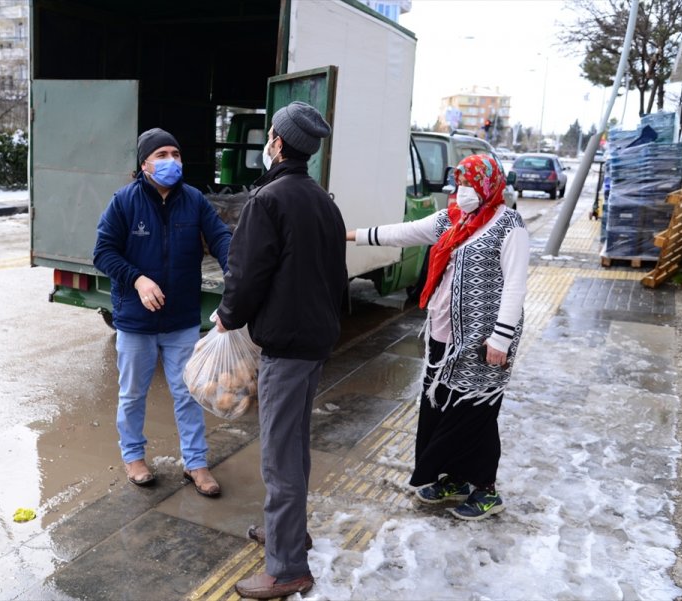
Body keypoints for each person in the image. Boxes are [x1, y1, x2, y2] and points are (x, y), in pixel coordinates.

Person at [347, 153, 529, 520]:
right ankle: (453, 479)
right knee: (439, 409)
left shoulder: (510, 226)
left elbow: (515, 287)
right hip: (444, 335)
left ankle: (486, 490)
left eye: (469, 184)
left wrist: (501, 339)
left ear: (489, 186)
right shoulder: (454, 218)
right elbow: (407, 231)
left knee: (473, 413)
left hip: (483, 341)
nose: (461, 191)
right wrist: (352, 236)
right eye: (459, 183)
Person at [214, 101, 347, 599]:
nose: (268, 141)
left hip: (287, 347)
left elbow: (245, 274)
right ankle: (287, 533)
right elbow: (335, 277)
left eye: (270, 134)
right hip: (314, 340)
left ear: (278, 142)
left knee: (280, 456)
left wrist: (228, 316)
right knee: (292, 445)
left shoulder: (269, 200)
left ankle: (288, 566)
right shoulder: (322, 200)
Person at [94, 128, 231, 497]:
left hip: (181, 319)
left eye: (176, 154)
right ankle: (134, 457)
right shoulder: (124, 202)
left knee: (188, 393)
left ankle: (196, 463)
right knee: (132, 394)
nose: (172, 161)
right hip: (136, 321)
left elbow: (220, 238)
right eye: (162, 155)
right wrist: (137, 280)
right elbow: (103, 252)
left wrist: (237, 269)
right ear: (145, 163)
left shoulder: (194, 201)